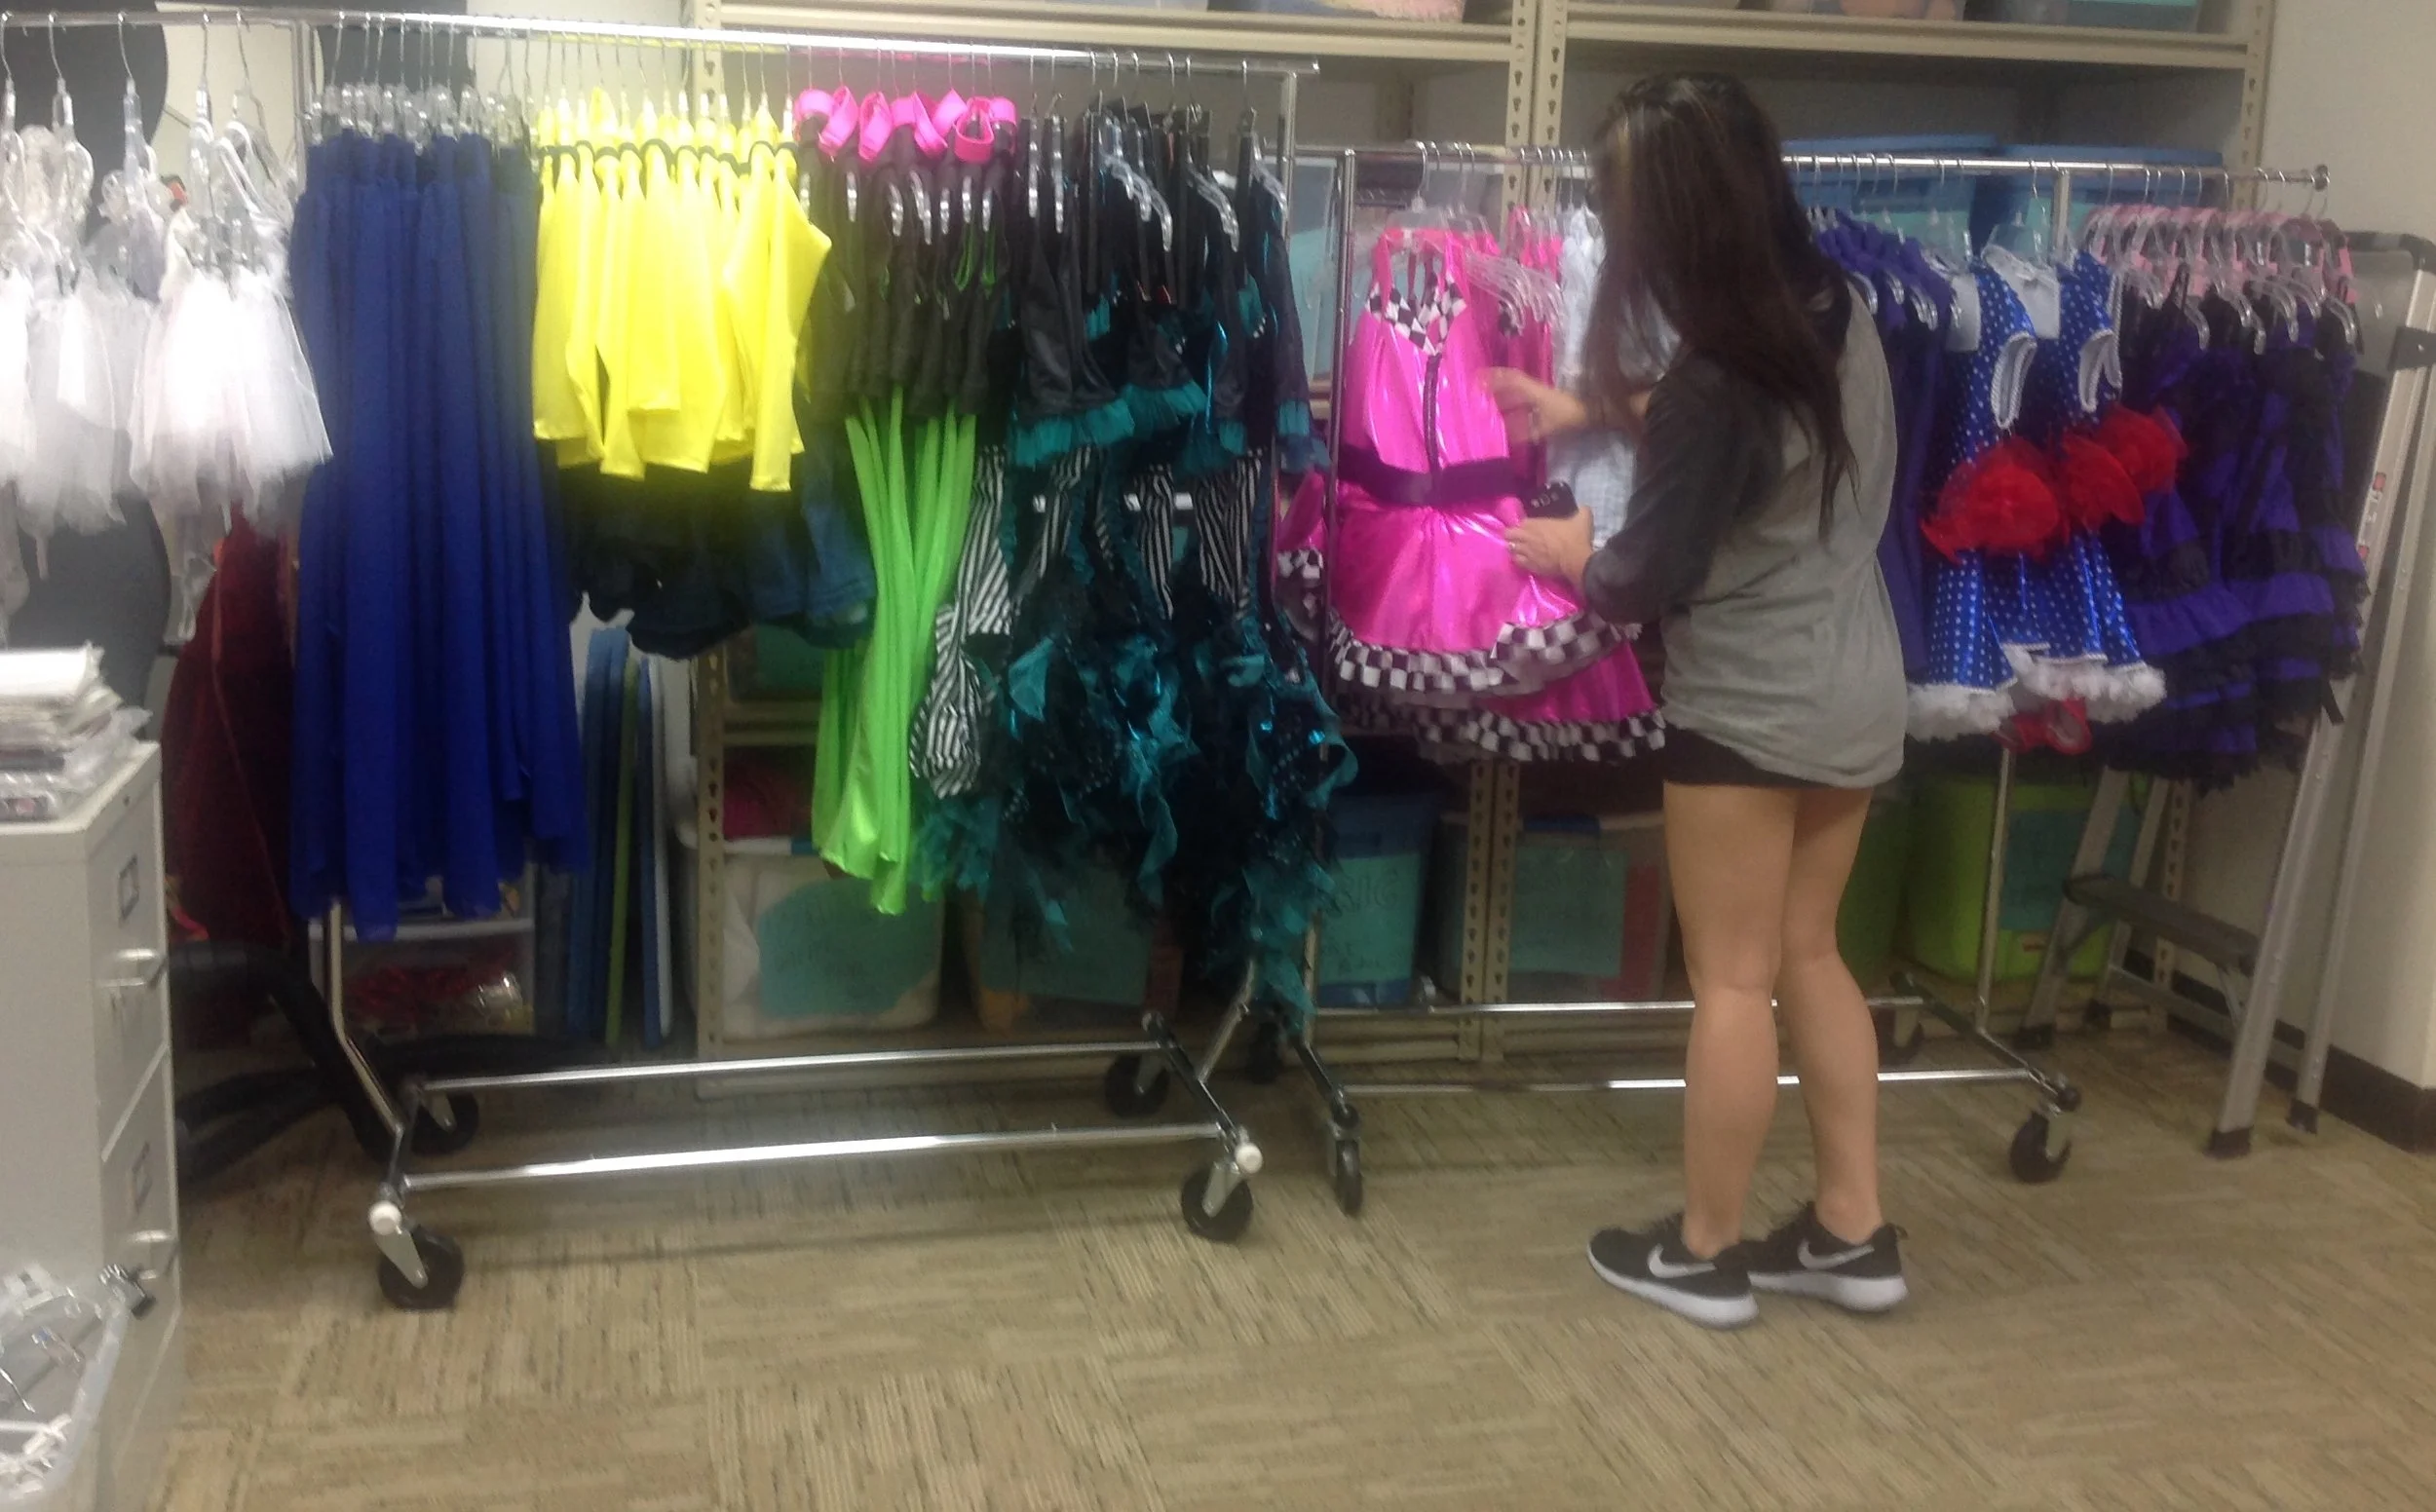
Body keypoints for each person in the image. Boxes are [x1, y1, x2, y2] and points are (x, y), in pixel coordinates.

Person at [1484, 73, 1909, 1330]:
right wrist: (1598, 407)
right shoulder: (1840, 306)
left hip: (1750, 701)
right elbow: (1740, 412)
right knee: (1812, 952)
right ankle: (1851, 1228)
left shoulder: (1722, 370)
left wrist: (1570, 552)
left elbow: (1641, 574)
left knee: (1729, 980)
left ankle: (1706, 1251)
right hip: (1855, 676)